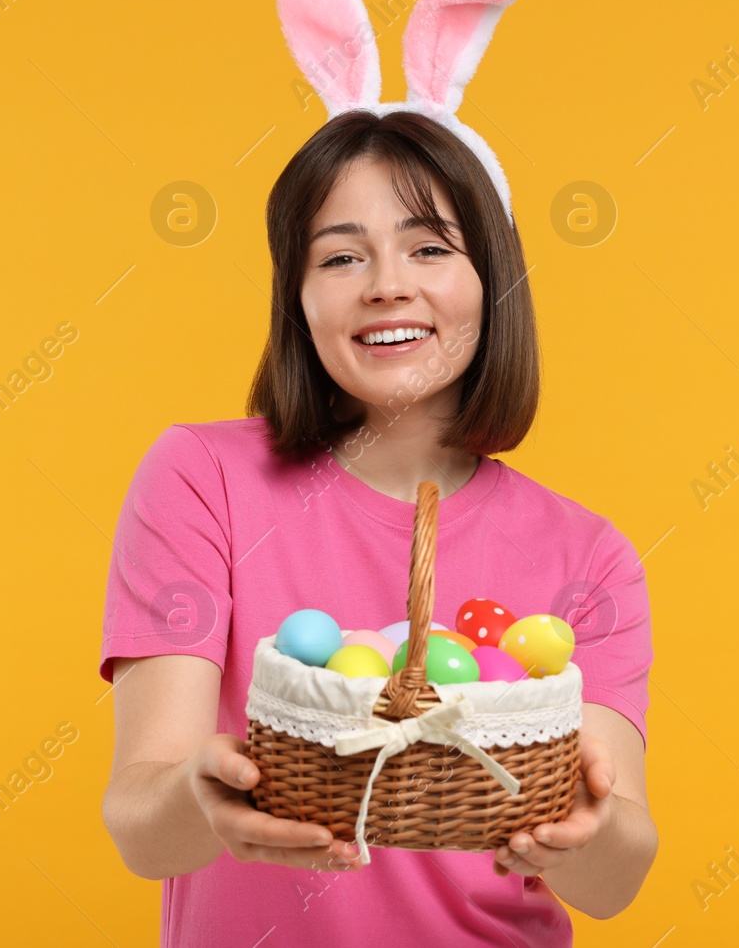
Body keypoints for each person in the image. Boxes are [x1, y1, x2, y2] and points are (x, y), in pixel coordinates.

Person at [97, 108, 658, 945]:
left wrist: (582, 830)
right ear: (299, 296)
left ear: (493, 279)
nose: (386, 284)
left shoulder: (588, 555)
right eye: (340, 256)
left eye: (430, 247)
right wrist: (202, 798)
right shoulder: (200, 479)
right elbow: (143, 826)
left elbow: (615, 879)